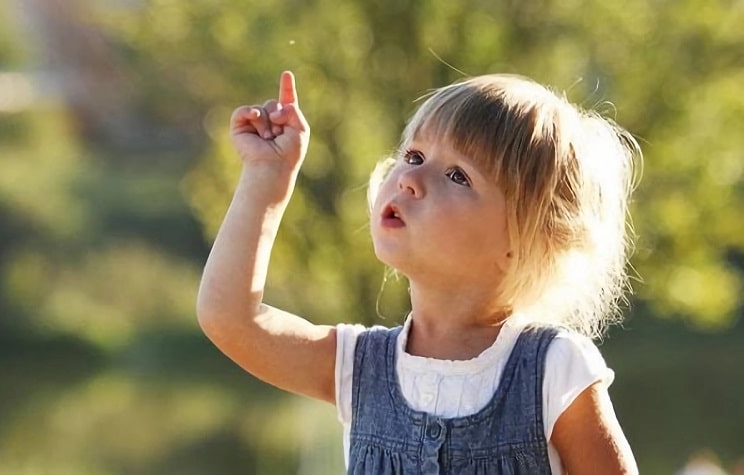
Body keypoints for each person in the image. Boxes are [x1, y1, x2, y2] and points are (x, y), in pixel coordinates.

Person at [197, 70, 639, 474]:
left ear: (523, 242)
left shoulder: (552, 369)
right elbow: (231, 317)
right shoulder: (360, 367)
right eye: (413, 155)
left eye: (457, 176)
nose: (411, 178)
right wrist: (265, 177)